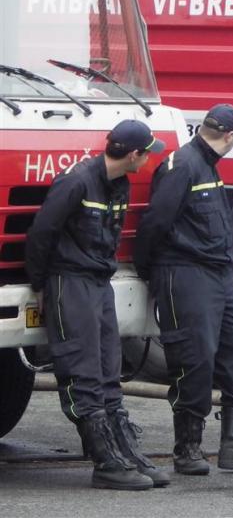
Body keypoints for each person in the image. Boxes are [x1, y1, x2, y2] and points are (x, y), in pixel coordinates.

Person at [134, 104, 233, 475]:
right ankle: (187, 449)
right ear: (231, 136)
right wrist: (152, 274)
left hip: (218, 273)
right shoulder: (183, 165)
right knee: (195, 359)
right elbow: (155, 224)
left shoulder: (205, 163)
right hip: (186, 272)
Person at [24, 120, 166, 490]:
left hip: (99, 283)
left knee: (108, 369)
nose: (149, 159)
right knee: (81, 370)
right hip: (69, 282)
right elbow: (42, 233)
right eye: (147, 153)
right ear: (133, 154)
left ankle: (125, 453)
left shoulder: (119, 184)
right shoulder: (76, 182)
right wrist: (40, 285)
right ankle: (106, 463)